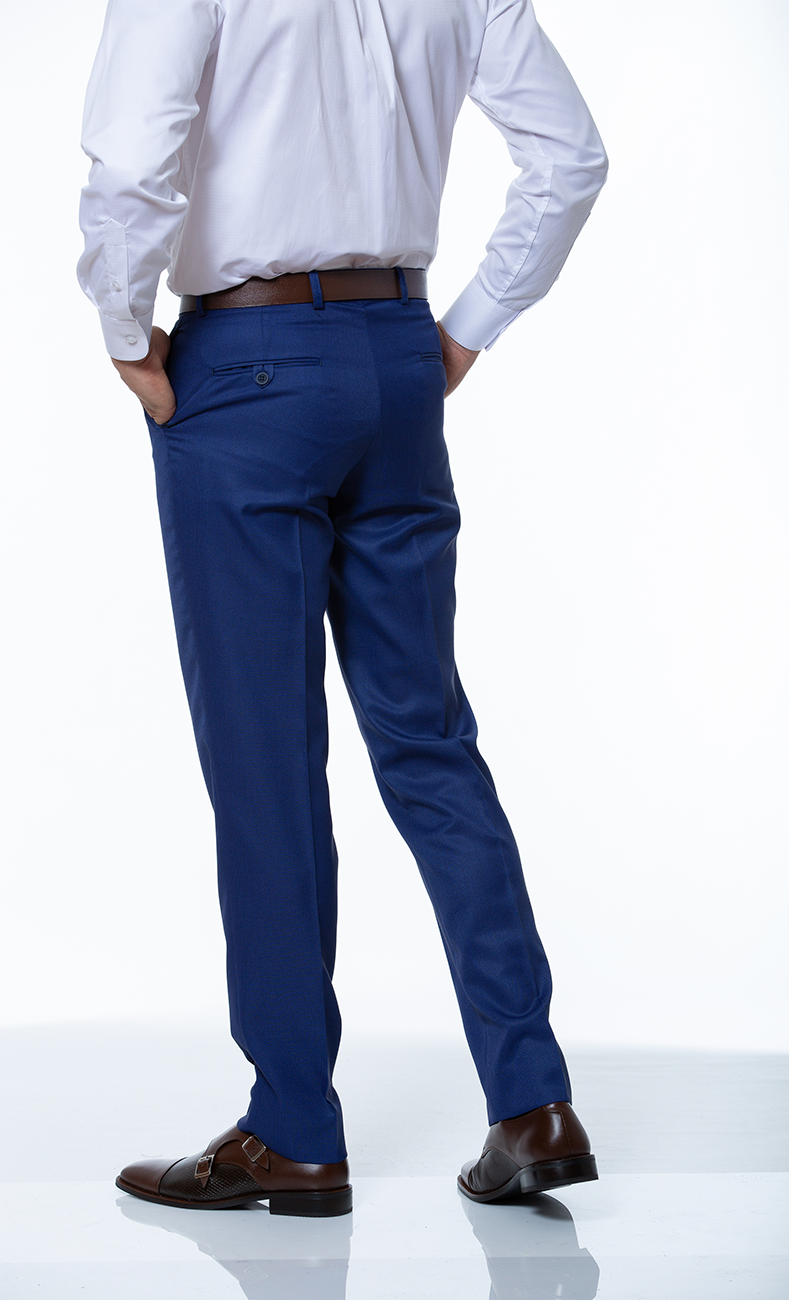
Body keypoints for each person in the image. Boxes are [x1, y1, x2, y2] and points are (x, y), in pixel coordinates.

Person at [77, 0, 608, 1218]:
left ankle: (294, 1130)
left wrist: (122, 328)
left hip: (246, 365)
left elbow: (132, 157)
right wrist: (461, 331)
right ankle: (533, 1103)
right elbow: (571, 157)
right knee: (428, 741)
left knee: (267, 760)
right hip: (397, 354)